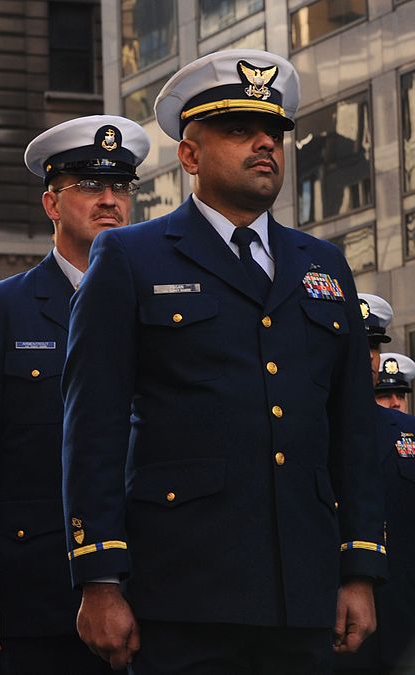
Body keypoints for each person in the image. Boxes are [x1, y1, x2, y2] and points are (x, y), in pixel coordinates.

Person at [62, 48, 386, 672]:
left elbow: (352, 426)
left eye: (274, 133)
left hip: (305, 588)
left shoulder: (323, 266)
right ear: (189, 154)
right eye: (239, 130)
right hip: (185, 588)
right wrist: (99, 578)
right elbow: (92, 428)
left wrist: (361, 568)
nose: (265, 143)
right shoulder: (131, 258)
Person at [0, 115, 148, 673]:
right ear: (52, 205)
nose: (109, 200)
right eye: (89, 187)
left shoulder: (157, 299)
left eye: (120, 187)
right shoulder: (1, 309)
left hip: (156, 580)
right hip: (39, 589)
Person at [334, 293, 415, 673]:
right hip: (334, 631)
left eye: (373, 346)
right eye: (355, 342)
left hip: (404, 626)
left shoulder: (409, 433)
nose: (367, 356)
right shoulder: (305, 429)